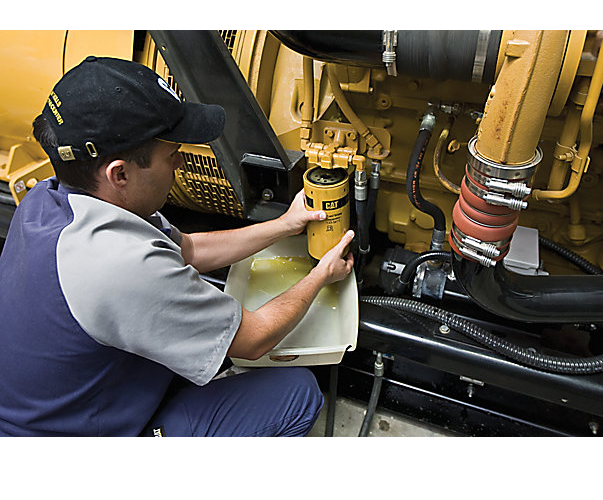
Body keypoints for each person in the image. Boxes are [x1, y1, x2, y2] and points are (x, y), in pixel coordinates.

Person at [0, 56, 354, 437]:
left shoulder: (50, 200)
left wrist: (285, 224)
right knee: (296, 396)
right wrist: (321, 275)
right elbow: (253, 340)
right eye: (171, 155)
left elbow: (189, 252)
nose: (182, 160)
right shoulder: (120, 267)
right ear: (119, 173)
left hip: (66, 402)